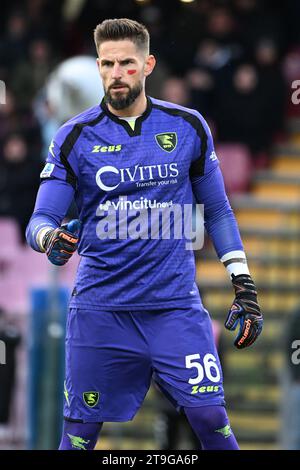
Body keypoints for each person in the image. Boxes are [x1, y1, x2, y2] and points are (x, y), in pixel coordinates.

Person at [26, 18, 263, 451]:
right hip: (101, 309)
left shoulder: (188, 126)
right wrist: (49, 240)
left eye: (127, 64)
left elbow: (217, 210)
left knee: (211, 418)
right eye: (106, 64)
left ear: (148, 64)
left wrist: (242, 282)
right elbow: (39, 219)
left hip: (174, 307)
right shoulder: (73, 136)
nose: (116, 74)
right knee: (79, 437)